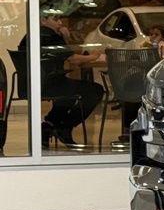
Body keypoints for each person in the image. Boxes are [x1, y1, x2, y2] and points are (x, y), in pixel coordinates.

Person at [19, 13, 104, 149]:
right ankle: (64, 127)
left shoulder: (29, 35)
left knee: (68, 94)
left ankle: (49, 126)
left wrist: (64, 37)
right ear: (43, 20)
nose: (60, 23)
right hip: (50, 84)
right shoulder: (50, 35)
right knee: (95, 90)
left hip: (30, 85)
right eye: (55, 19)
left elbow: (66, 55)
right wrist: (94, 56)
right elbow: (73, 59)